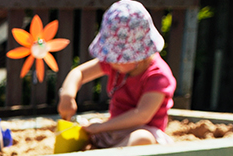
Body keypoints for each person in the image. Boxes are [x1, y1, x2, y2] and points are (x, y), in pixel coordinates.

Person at [57, 0, 176, 148]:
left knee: (141, 138)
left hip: (145, 130)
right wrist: (67, 95)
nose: (112, 62)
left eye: (118, 58)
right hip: (113, 128)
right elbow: (79, 73)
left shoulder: (158, 75)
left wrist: (101, 127)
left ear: (139, 54)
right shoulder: (117, 65)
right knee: (84, 128)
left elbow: (142, 115)